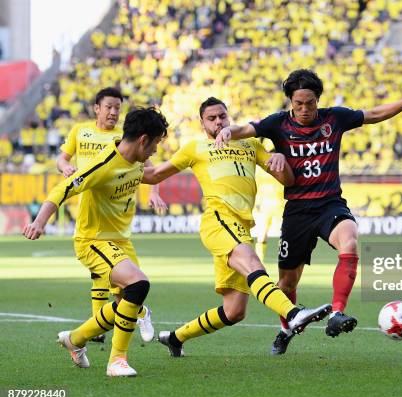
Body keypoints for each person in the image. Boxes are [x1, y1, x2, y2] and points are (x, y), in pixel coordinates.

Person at [214, 69, 402, 354]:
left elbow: (374, 114)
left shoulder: (335, 118)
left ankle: (337, 313)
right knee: (287, 283)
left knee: (350, 239)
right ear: (290, 101)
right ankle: (285, 330)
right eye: (298, 104)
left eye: (310, 103)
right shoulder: (278, 123)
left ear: (318, 100)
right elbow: (249, 129)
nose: (304, 109)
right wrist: (229, 130)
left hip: (330, 204)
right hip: (297, 211)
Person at [143, 97, 331, 357]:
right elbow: (153, 174)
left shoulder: (250, 144)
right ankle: (294, 313)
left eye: (222, 116)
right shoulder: (194, 148)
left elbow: (287, 178)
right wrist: (118, 168)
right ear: (202, 124)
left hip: (242, 227)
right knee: (254, 264)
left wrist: (280, 158)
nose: (218, 121)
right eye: (211, 118)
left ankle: (175, 338)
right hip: (218, 221)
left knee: (234, 311)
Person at [23, 107, 169, 376]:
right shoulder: (102, 165)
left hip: (120, 242)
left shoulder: (135, 162)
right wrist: (39, 222)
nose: (155, 151)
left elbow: (150, 175)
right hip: (93, 240)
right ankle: (117, 361)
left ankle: (75, 339)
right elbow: (62, 189)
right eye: (156, 143)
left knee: (127, 301)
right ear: (142, 139)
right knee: (138, 285)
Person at [56, 87, 163, 343]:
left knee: (122, 288)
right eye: (109, 107)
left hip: (115, 212)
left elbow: (151, 169)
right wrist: (66, 167)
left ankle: (96, 333)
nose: (114, 112)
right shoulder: (80, 131)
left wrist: (154, 192)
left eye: (118, 107)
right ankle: (103, 337)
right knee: (102, 275)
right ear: (97, 108)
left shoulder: (126, 137)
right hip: (89, 204)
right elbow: (61, 159)